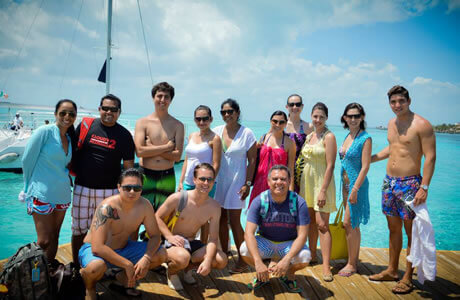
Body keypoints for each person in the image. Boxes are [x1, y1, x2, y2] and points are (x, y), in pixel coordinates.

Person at [369, 85, 436, 294]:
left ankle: (408, 275)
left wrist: (424, 187)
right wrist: (370, 160)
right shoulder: (391, 123)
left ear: (409, 101)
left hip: (411, 184)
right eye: (393, 102)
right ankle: (391, 270)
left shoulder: (422, 125)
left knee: (411, 232)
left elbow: (430, 157)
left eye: (401, 101)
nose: (397, 105)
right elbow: (394, 148)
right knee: (393, 228)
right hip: (389, 182)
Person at [79, 168, 167, 300]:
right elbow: (97, 248)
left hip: (124, 248)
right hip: (94, 251)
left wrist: (146, 258)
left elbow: (155, 236)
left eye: (137, 188)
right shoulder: (107, 208)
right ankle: (89, 287)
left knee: (161, 254)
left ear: (141, 189)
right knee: (95, 267)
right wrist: (127, 264)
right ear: (119, 187)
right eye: (128, 188)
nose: (132, 192)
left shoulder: (145, 205)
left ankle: (121, 276)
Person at [71, 94, 135, 267]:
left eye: (113, 109)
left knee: (107, 232)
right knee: (78, 230)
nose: (109, 112)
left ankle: (104, 266)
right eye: (105, 108)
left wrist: (127, 192)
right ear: (99, 109)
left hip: (110, 192)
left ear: (119, 112)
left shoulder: (125, 135)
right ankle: (77, 267)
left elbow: (129, 169)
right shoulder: (86, 127)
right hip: (82, 188)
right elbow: (70, 152)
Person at [21, 99, 77, 265]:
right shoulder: (44, 131)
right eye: (63, 113)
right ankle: (33, 276)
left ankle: (47, 276)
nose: (67, 116)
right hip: (41, 194)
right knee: (44, 240)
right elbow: (26, 160)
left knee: (55, 237)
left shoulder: (69, 137)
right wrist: (26, 188)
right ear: (55, 114)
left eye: (71, 114)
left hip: (63, 194)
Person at [156, 163, 227, 290]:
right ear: (194, 180)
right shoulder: (179, 198)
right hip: (171, 242)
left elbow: (213, 239)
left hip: (191, 243)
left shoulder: (214, 207)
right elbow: (156, 217)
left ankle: (188, 268)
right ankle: (171, 273)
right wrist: (169, 236)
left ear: (213, 181)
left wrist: (207, 260)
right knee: (183, 257)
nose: (206, 183)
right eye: (202, 179)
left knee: (221, 260)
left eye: (209, 179)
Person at [241, 165, 311, 292]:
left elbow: (302, 236)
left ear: (289, 182)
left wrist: (287, 260)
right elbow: (249, 233)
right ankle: (263, 274)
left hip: (288, 244)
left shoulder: (298, 202)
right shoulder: (260, 201)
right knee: (244, 249)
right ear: (268, 182)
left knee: (305, 256)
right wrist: (258, 262)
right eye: (275, 179)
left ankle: (288, 274)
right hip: (265, 242)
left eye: (283, 179)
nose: (279, 182)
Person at [213, 98, 257, 273]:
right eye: (223, 112)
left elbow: (252, 161)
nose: (227, 115)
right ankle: (224, 253)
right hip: (219, 182)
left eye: (230, 111)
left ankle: (243, 259)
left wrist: (248, 184)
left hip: (238, 183)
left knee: (235, 220)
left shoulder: (247, 133)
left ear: (237, 113)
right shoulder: (217, 131)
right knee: (221, 219)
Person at [295, 102, 336, 282]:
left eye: (321, 117)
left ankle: (326, 266)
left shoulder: (329, 137)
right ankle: (312, 255)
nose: (318, 119)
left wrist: (323, 191)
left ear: (326, 118)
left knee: (322, 225)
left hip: (322, 183)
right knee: (310, 222)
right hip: (307, 183)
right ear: (311, 116)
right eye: (315, 116)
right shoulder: (309, 135)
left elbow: (331, 165)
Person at [134, 82, 185, 212]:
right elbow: (139, 152)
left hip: (167, 176)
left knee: (164, 215)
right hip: (146, 174)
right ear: (153, 98)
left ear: (171, 100)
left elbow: (178, 157)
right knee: (138, 212)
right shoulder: (142, 123)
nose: (162, 100)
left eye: (166, 97)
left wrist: (150, 148)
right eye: (159, 96)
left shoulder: (178, 125)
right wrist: (167, 147)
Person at [337, 103, 372, 277]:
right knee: (353, 225)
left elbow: (365, 167)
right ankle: (353, 260)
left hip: (356, 186)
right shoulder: (348, 136)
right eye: (349, 116)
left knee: (349, 223)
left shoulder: (365, 138)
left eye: (356, 116)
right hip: (345, 186)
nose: (353, 119)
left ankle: (352, 264)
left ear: (362, 117)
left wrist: (355, 188)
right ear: (344, 117)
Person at [178, 105, 221, 243]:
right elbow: (186, 160)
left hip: (205, 183)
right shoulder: (191, 136)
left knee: (204, 216)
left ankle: (203, 245)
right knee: (184, 212)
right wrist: (181, 180)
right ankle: (184, 242)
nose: (201, 122)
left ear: (211, 119)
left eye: (205, 119)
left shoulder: (215, 138)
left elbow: (216, 163)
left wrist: (209, 182)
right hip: (188, 182)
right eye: (198, 119)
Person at [249, 111, 296, 205]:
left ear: (286, 124)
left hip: (278, 185)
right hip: (260, 183)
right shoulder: (263, 138)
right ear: (271, 122)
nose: (278, 124)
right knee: (256, 215)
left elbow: (290, 169)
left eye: (281, 122)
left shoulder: (289, 143)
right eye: (275, 121)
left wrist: (291, 193)